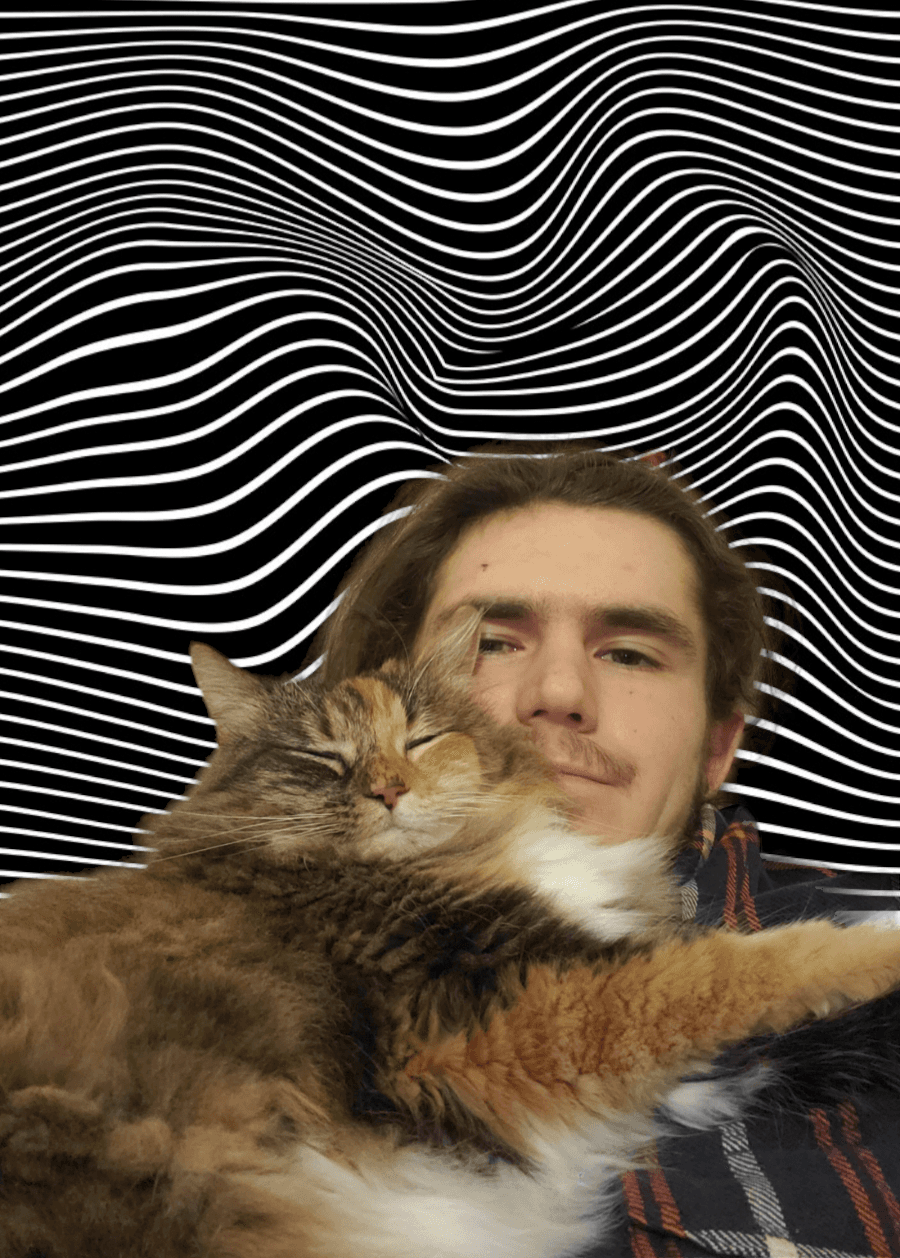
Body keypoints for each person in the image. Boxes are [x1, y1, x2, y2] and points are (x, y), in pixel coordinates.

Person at [305, 440, 900, 1258]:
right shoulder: (172, 970)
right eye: (492, 643)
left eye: (628, 653)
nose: (558, 693)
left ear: (719, 746)